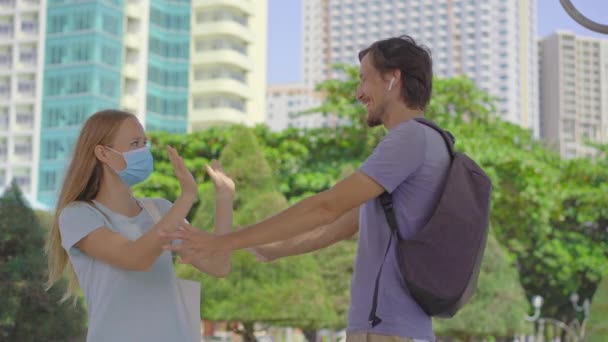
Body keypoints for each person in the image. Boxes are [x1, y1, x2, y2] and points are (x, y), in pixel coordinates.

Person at [165, 35, 448, 342]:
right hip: (390, 326)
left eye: (364, 80)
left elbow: (326, 207)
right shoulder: (426, 142)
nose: (358, 93)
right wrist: (276, 248)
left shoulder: (409, 139)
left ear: (393, 79)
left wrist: (222, 243)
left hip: (389, 328)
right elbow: (343, 224)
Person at [45, 109, 235, 342]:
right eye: (135, 143)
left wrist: (225, 199)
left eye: (145, 143)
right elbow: (136, 258)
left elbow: (218, 265)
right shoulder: (79, 215)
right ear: (103, 153)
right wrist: (186, 198)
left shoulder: (161, 211)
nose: (144, 151)